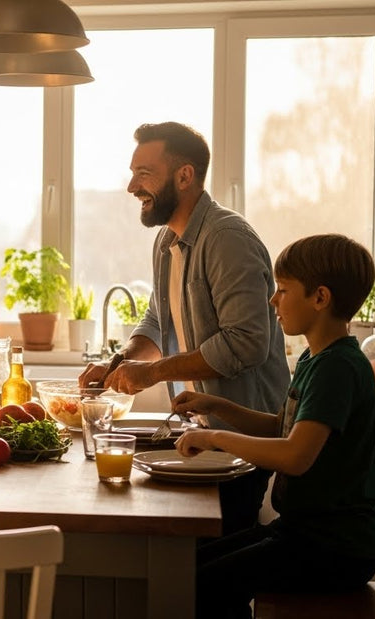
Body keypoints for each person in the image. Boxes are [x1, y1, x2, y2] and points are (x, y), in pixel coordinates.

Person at [80, 121, 290, 536]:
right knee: (191, 555)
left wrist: (154, 373)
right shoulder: (166, 241)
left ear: (184, 175)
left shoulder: (227, 238)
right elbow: (159, 320)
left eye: (144, 174)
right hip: (203, 433)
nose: (131, 187)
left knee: (215, 566)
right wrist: (118, 363)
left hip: (242, 438)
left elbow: (246, 343)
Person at [173, 234, 375, 618]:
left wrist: (214, 436)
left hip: (334, 547)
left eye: (283, 290)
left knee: (197, 586)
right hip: (304, 533)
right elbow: (282, 427)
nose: (273, 300)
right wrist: (216, 404)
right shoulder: (315, 358)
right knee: (187, 571)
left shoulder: (336, 368)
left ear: (320, 298)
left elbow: (295, 456)